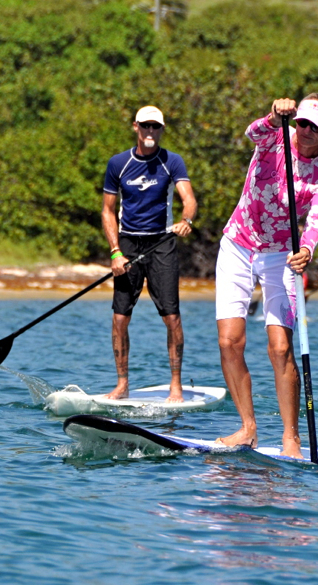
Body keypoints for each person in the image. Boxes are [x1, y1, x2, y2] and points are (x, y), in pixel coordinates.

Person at [215, 94, 318, 458]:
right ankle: (247, 429)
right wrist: (273, 117)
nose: (305, 131)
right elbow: (252, 132)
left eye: (316, 128)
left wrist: (307, 251)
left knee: (281, 348)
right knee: (229, 342)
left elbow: (314, 223)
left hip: (280, 258)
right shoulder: (276, 135)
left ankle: (291, 438)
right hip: (237, 244)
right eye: (302, 122)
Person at [101, 105, 197, 402]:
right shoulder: (119, 163)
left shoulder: (172, 162)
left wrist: (186, 221)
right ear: (135, 127)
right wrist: (116, 252)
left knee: (172, 318)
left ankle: (176, 385)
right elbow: (107, 210)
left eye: (156, 127)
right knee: (120, 318)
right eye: (146, 126)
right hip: (128, 244)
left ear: (162, 129)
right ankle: (122, 384)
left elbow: (189, 199)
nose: (150, 132)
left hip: (162, 244)